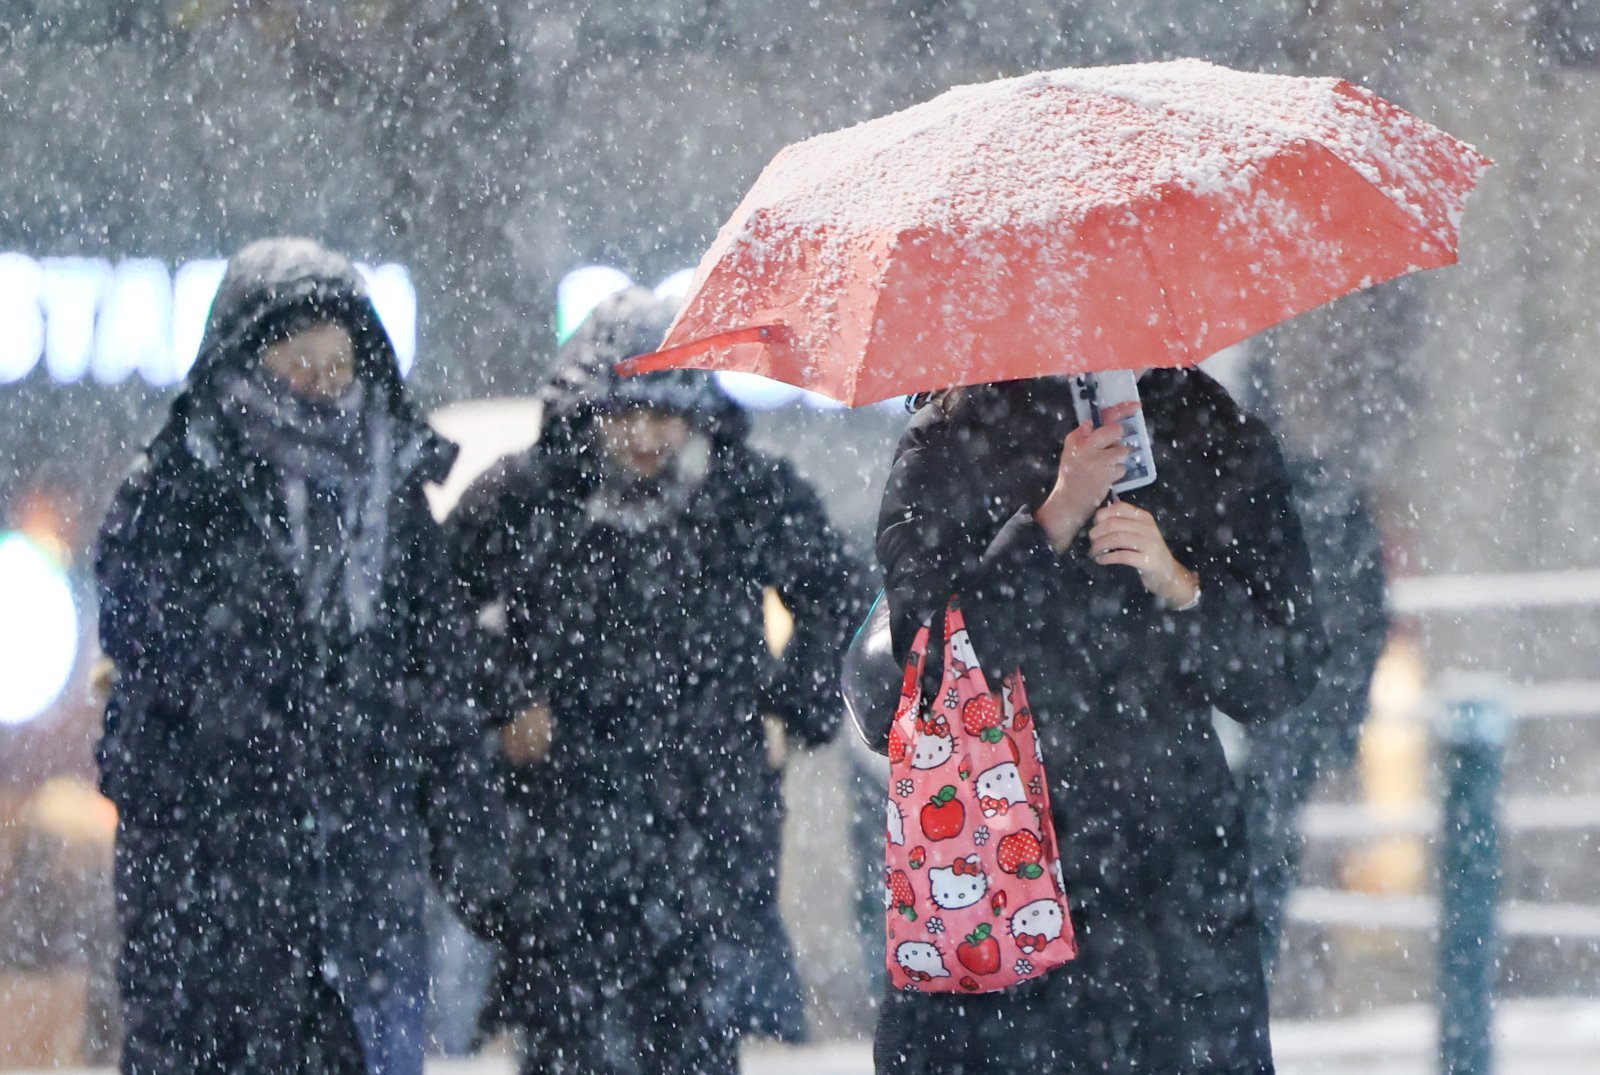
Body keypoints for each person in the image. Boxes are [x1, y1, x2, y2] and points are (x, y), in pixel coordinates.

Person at [95, 238, 511, 1075]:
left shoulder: (392, 488)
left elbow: (437, 662)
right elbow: (150, 654)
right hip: (213, 878)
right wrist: (262, 719)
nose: (323, 378)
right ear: (249, 356)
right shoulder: (180, 486)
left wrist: (465, 824)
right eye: (299, 358)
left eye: (337, 357)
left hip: (362, 878)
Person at [447, 288, 864, 1075]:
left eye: (665, 414)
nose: (644, 436)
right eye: (624, 414)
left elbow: (835, 589)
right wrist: (504, 698)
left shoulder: (741, 494)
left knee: (694, 1035)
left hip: (704, 818)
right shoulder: (530, 495)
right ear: (588, 410)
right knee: (568, 1035)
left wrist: (793, 705)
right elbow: (432, 609)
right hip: (566, 821)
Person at [872, 370, 1326, 1074]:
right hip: (997, 864)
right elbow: (928, 665)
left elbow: (1283, 668)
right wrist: (1054, 515)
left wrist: (1181, 585)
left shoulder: (1204, 426)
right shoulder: (952, 435)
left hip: (1171, 881)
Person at [1243, 455, 1389, 972]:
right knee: (1267, 856)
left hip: (1273, 723)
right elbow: (1365, 622)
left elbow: (1364, 622)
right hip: (1281, 721)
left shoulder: (1322, 506)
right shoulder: (1331, 504)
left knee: (1262, 856)